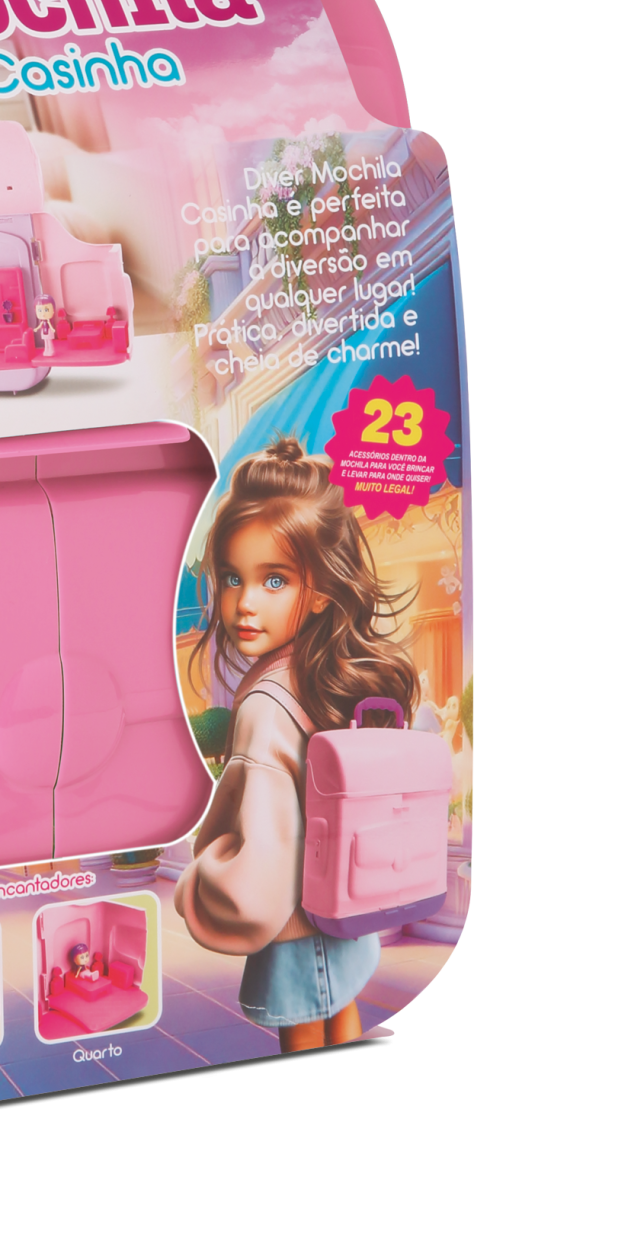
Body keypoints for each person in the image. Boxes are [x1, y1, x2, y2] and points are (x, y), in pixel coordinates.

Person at [175, 437, 417, 1053]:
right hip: (344, 899)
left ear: (321, 589)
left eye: (274, 580)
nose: (244, 603)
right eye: (233, 578)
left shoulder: (265, 704)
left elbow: (259, 864)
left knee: (304, 1032)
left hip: (294, 919)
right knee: (342, 1010)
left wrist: (196, 885)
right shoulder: (326, 678)